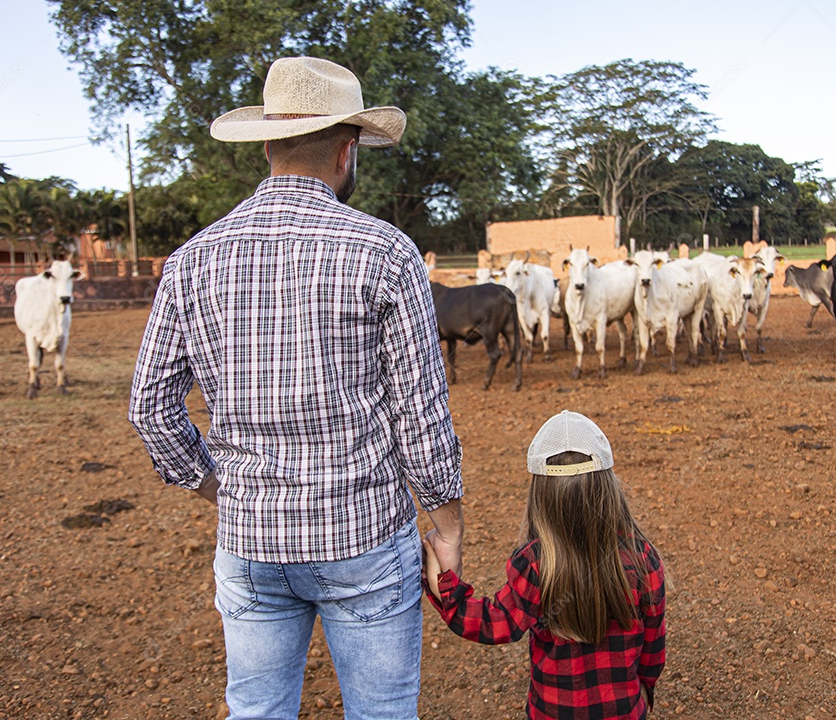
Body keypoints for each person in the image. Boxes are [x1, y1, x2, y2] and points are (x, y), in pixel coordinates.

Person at [128, 56, 464, 720]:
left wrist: (216, 486)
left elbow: (150, 406)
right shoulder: (387, 252)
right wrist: (446, 526)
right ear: (346, 150)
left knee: (257, 711)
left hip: (251, 539)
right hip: (364, 535)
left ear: (267, 144)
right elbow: (420, 413)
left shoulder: (193, 260)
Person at [423, 410, 665, 720]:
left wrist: (446, 590)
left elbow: (494, 622)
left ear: (541, 495)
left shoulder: (536, 565)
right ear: (608, 488)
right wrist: (645, 685)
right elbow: (653, 646)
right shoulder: (642, 558)